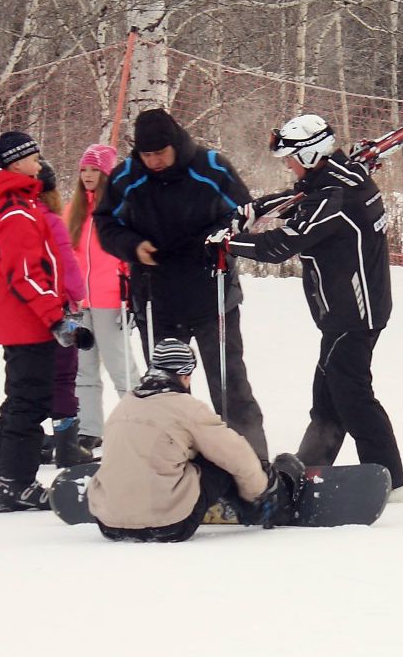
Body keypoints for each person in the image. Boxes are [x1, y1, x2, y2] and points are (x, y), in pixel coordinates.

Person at [211, 114, 403, 498]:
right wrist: (255, 209)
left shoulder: (336, 196)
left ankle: (388, 477)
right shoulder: (337, 177)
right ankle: (313, 466)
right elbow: (301, 198)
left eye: (291, 157)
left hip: (353, 311)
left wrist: (228, 244)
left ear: (310, 153)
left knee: (351, 394)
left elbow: (283, 244)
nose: (288, 164)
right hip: (345, 310)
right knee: (330, 395)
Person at [94, 109, 270, 462]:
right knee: (165, 392)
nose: (154, 161)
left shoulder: (211, 167)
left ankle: (252, 465)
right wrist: (132, 246)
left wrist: (214, 240)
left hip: (212, 292)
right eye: (147, 155)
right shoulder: (126, 176)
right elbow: (105, 223)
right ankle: (171, 466)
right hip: (156, 297)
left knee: (230, 385)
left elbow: (243, 214)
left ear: (175, 143)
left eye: (160, 153)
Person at [0, 131, 92, 512]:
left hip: (22, 319)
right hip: (28, 322)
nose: (40, 164)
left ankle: (1, 481)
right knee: (30, 403)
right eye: (34, 158)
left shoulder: (16, 204)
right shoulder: (16, 210)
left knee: (20, 400)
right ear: (17, 162)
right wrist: (57, 319)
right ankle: (15, 484)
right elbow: (24, 274)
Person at [87, 338, 305, 542]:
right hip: (168, 525)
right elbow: (236, 455)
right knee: (221, 457)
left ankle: (130, 507)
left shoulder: (124, 406)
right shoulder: (186, 408)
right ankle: (263, 508)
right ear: (184, 374)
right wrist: (260, 491)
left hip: (108, 524)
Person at [63, 143, 136, 453]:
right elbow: (65, 255)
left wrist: (131, 295)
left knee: (122, 368)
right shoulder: (74, 210)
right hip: (80, 304)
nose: (88, 175)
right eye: (84, 170)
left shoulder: (120, 210)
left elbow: (129, 254)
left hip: (111, 300)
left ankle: (137, 426)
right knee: (84, 369)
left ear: (107, 174)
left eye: (94, 170)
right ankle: (89, 429)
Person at [35, 160, 100, 468]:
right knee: (63, 376)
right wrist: (78, 297)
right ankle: (67, 447)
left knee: (31, 377)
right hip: (58, 308)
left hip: (28, 311)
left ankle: (31, 439)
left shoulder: (18, 217)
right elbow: (68, 265)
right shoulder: (51, 220)